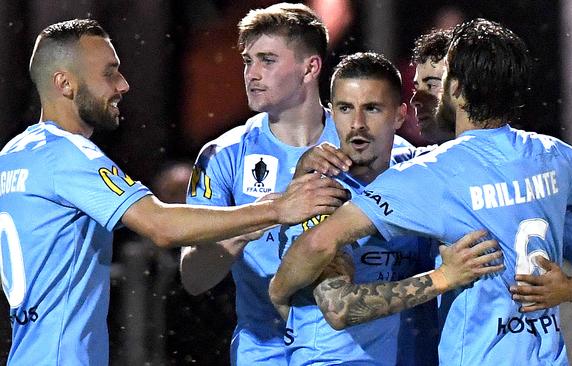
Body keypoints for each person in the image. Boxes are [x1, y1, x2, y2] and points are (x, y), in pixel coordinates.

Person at [269, 18, 572, 365]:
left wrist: (278, 290)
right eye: (346, 109)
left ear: (456, 89)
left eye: (436, 82)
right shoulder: (549, 159)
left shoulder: (427, 176)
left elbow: (320, 253)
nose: (423, 98)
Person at [0, 18, 347, 366]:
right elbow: (161, 225)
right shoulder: (69, 156)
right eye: (109, 73)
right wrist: (275, 210)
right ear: (65, 83)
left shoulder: (15, 155)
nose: (123, 85)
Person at [178, 4, 414, 365]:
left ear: (310, 67)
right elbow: (193, 278)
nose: (251, 74)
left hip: (357, 352)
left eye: (267, 60)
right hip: (264, 351)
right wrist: (260, 218)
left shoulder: (381, 150)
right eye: (247, 61)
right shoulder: (223, 155)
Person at [277, 52, 503, 366]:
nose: (357, 124)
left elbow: (496, 159)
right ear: (331, 115)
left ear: (399, 116)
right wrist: (443, 277)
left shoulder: (417, 172)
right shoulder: (319, 191)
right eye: (345, 108)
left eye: (372, 108)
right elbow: (338, 308)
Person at [409, 28, 454, 144]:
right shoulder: (412, 159)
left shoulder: (504, 159)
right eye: (416, 89)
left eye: (432, 85)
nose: (414, 101)